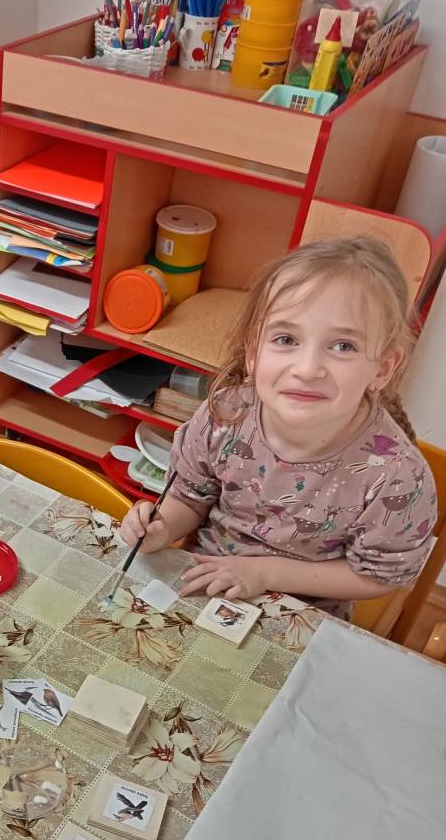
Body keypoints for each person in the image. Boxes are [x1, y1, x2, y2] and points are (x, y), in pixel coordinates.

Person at [119, 237, 437, 616]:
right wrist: (163, 527)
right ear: (254, 352)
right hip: (204, 581)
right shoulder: (226, 413)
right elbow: (189, 497)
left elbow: (378, 576)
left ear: (382, 368)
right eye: (286, 339)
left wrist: (265, 572)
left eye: (343, 346)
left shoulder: (398, 477)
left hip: (302, 613)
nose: (307, 369)